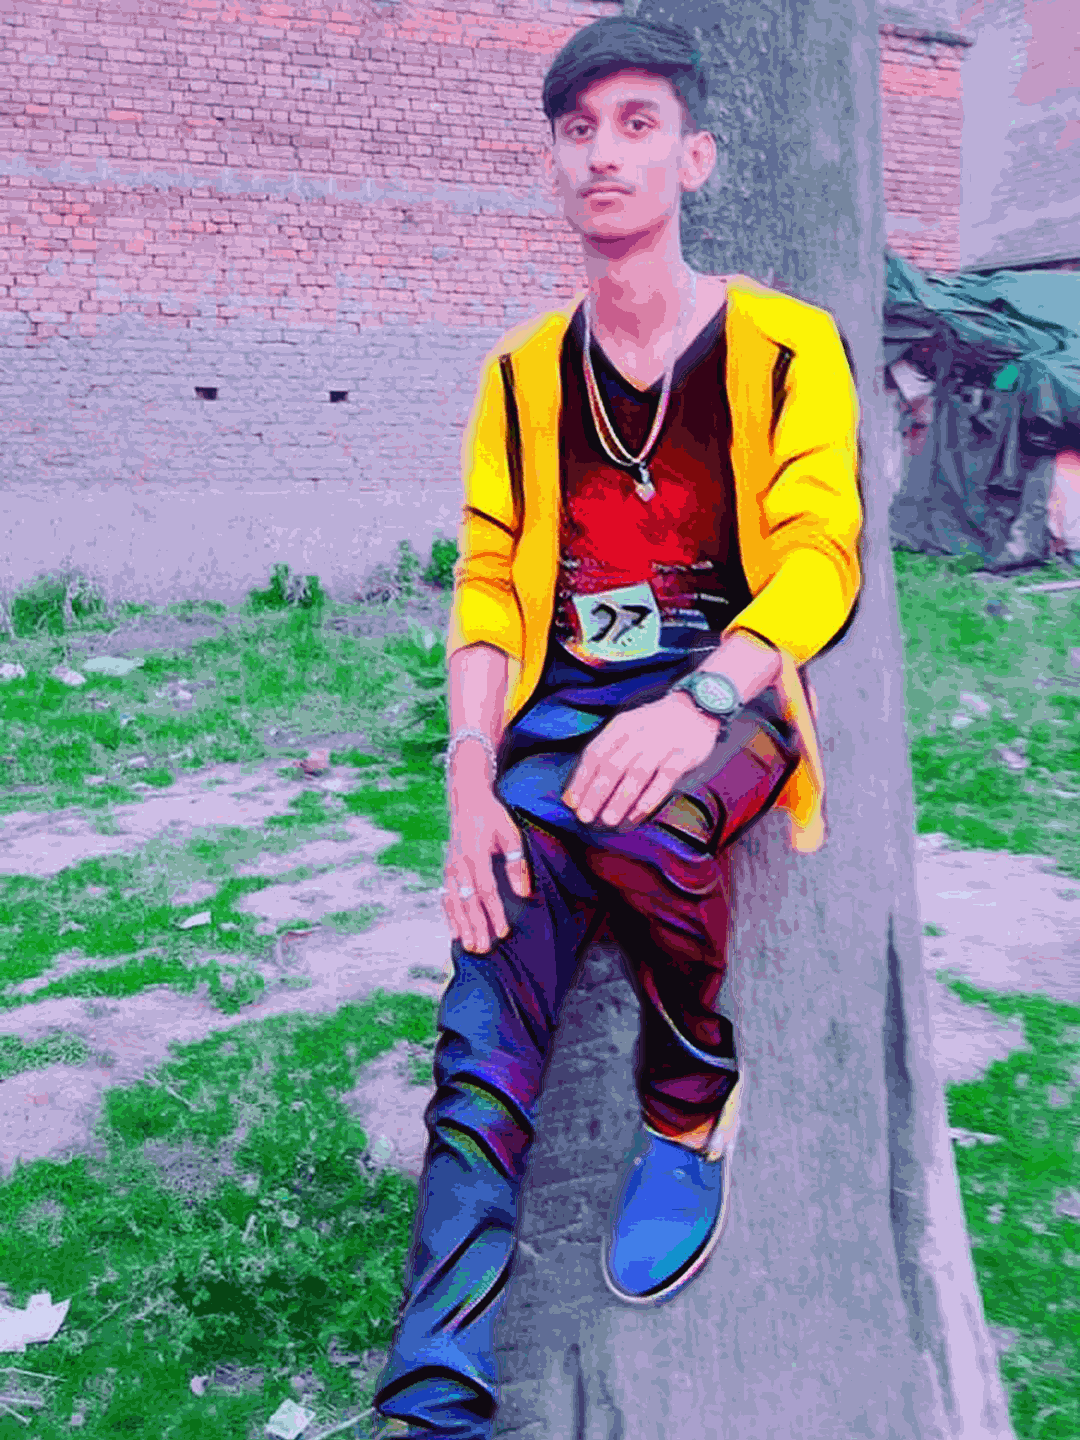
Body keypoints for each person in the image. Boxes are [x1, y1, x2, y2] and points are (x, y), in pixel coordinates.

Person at [370, 15, 863, 1438]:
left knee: (644, 818)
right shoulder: (523, 372)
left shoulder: (785, 345)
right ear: (554, 163)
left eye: (638, 124)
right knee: (481, 1021)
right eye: (579, 130)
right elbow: (486, 580)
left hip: (732, 694)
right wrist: (469, 780)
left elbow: (822, 557)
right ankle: (435, 1397)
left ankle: (690, 1097)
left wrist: (697, 699)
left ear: (693, 157)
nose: (605, 152)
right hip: (561, 714)